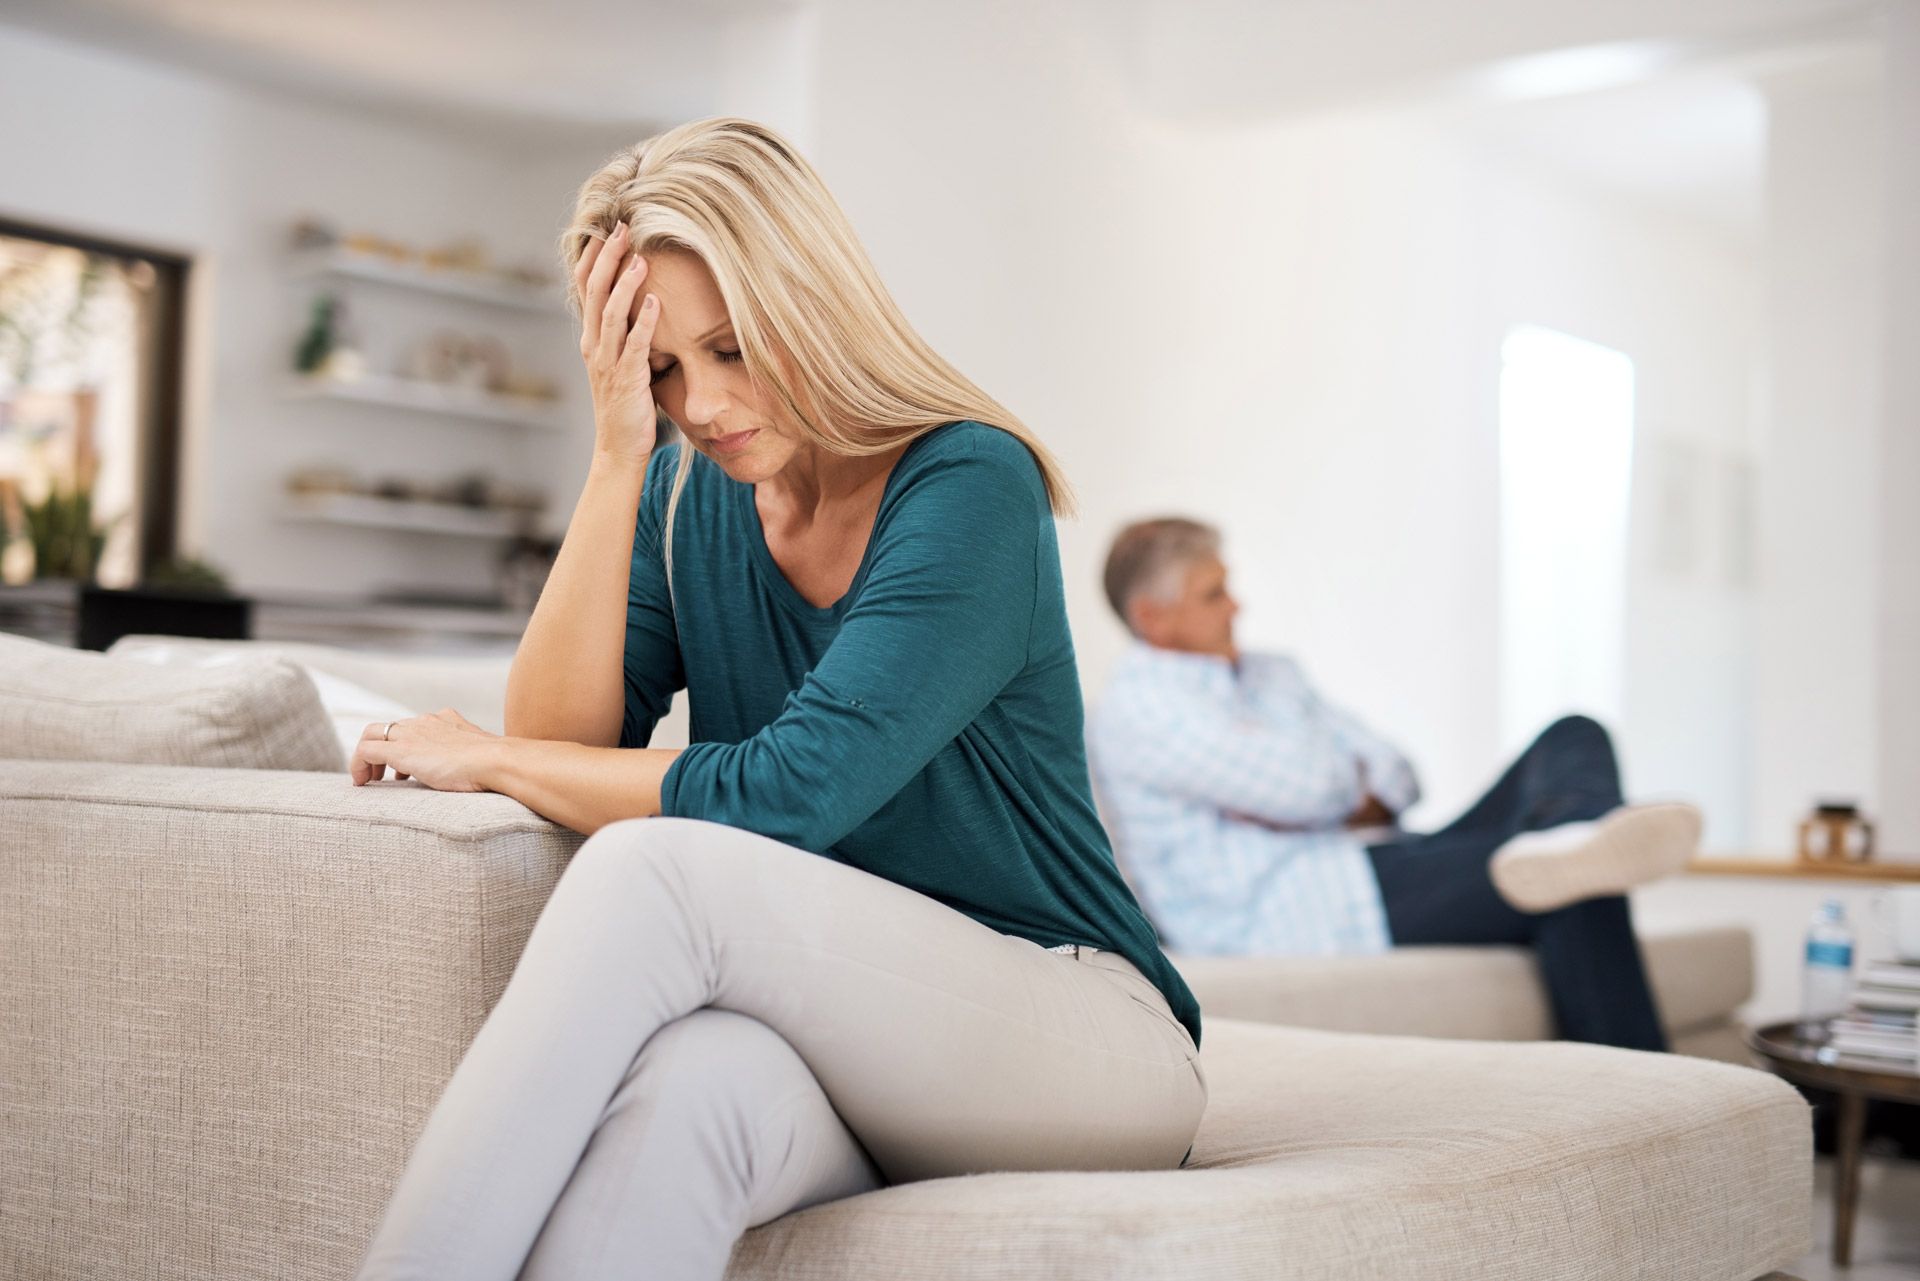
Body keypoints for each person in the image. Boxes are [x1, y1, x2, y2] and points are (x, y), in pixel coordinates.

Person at [346, 119, 1203, 1281]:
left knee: (656, 868)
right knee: (693, 1091)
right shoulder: (683, 488)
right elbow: (564, 745)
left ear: (810, 300)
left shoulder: (968, 482)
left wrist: (486, 759)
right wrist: (614, 457)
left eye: (732, 348)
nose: (702, 405)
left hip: (1084, 1039)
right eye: (661, 368)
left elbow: (788, 792)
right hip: (863, 1032)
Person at [1086, 516, 1700, 1054]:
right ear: (1153, 617)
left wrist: (1323, 791)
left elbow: (1400, 773)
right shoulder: (1137, 710)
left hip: (1377, 853)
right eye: (1213, 594)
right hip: (1302, 905)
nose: (1236, 606)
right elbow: (1309, 786)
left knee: (1574, 734)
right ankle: (1663, 1096)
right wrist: (1336, 780)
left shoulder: (1272, 672)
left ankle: (1571, 834)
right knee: (1573, 884)